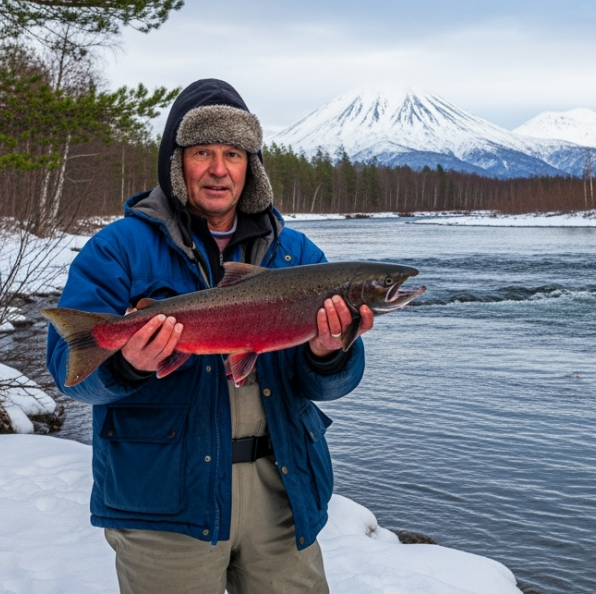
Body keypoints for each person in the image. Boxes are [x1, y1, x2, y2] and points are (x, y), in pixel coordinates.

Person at [46, 78, 371, 594]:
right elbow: (71, 375)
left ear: (251, 167)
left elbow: (331, 388)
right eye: (203, 152)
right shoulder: (118, 249)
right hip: (164, 501)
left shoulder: (299, 255)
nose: (220, 169)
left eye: (234, 154)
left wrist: (329, 354)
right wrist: (128, 363)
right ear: (178, 163)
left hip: (281, 492)